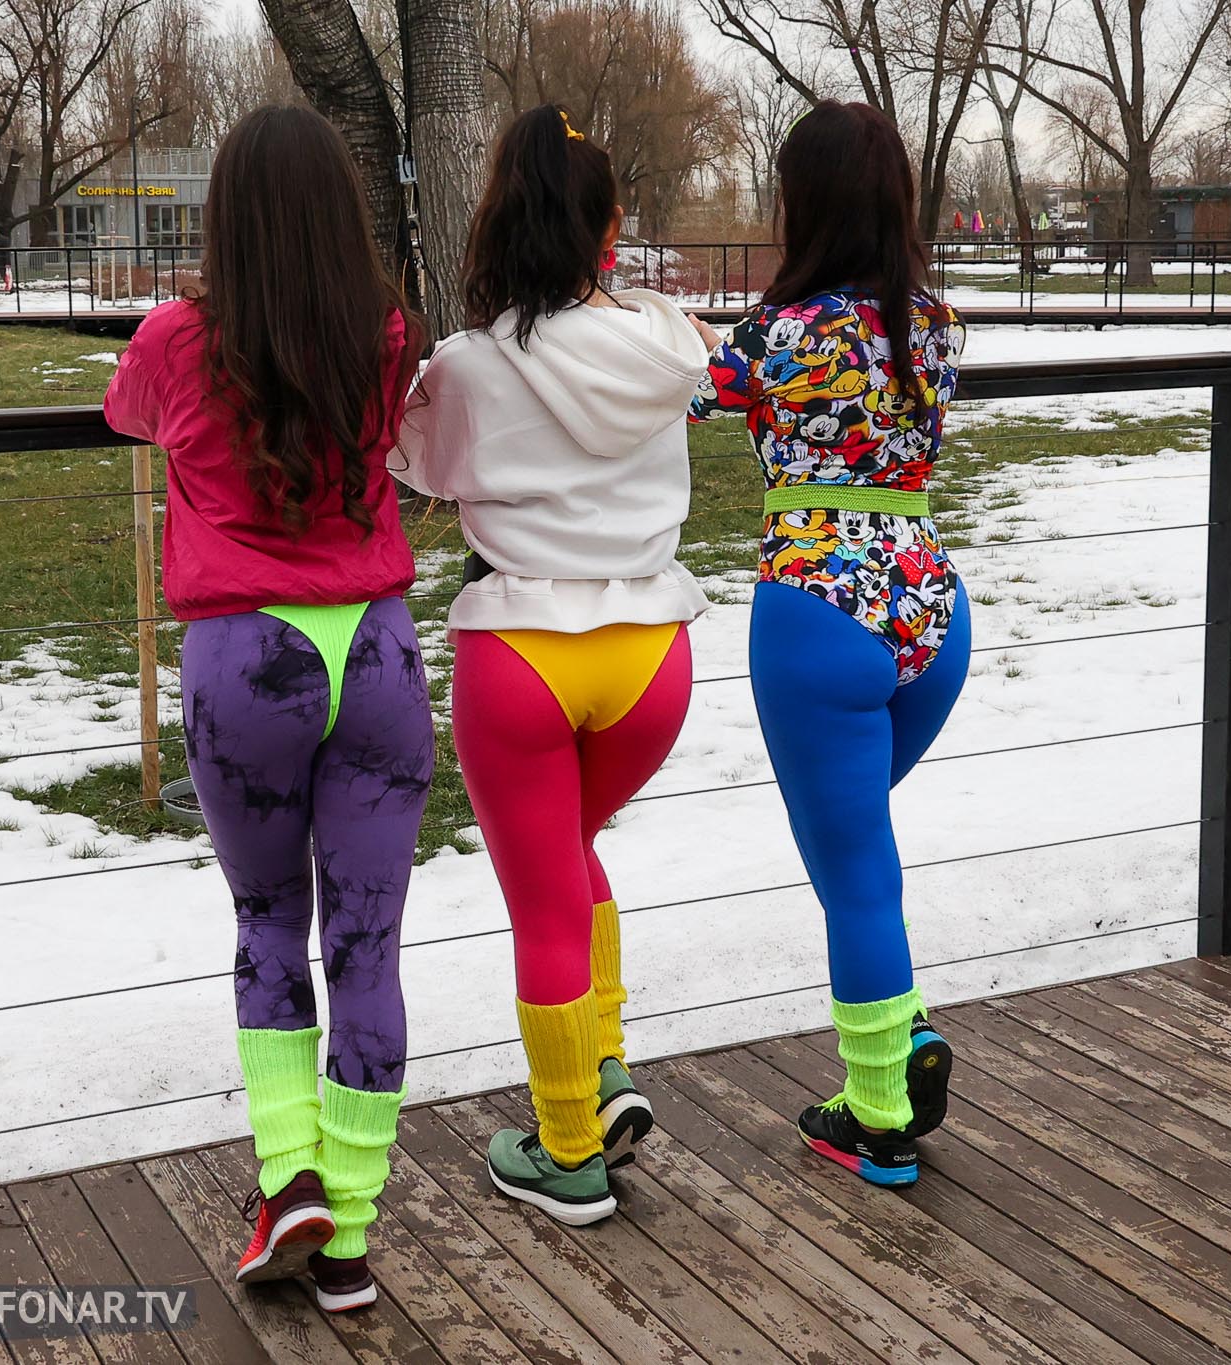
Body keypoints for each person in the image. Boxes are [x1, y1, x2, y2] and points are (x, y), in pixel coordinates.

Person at [102, 105, 431, 1314]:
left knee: (267, 925)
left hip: (247, 658)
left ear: (223, 219)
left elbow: (125, 414)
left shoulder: (175, 341)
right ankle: (350, 1231)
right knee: (367, 945)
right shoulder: (383, 334)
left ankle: (289, 1176)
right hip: (377, 651)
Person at [393, 105, 709, 1226]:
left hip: (521, 649)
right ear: (608, 230)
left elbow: (414, 462)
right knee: (572, 854)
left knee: (541, 901)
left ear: (496, 222)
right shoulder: (666, 344)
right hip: (652, 652)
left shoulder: (468, 367)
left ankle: (567, 1148)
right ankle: (604, 1065)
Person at [690, 99, 967, 1188]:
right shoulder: (935, 322)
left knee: (852, 872)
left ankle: (879, 1114)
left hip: (818, 607)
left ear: (800, 203)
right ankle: (900, 1031)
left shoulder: (772, 335)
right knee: (858, 852)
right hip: (929, 604)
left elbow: (689, 396)